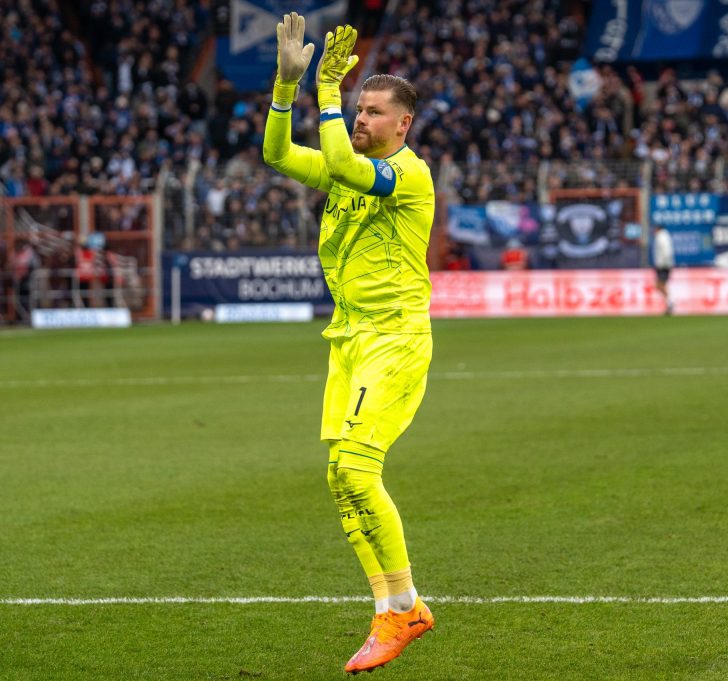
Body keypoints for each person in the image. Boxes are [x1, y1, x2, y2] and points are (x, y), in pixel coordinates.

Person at [263, 13, 435, 674]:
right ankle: (395, 607)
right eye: (358, 110)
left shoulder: (408, 175)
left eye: (373, 111)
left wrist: (327, 91)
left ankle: (402, 608)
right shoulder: (346, 172)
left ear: (403, 124)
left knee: (358, 471)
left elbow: (337, 157)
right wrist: (287, 87)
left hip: (395, 336)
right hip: (349, 339)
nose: (361, 119)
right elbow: (279, 155)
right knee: (340, 477)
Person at [652, 224, 675, 315]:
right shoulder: (664, 236)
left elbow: (666, 252)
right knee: (661, 285)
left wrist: (663, 263)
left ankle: (670, 302)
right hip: (664, 264)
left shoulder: (661, 237)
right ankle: (669, 303)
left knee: (660, 284)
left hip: (663, 265)